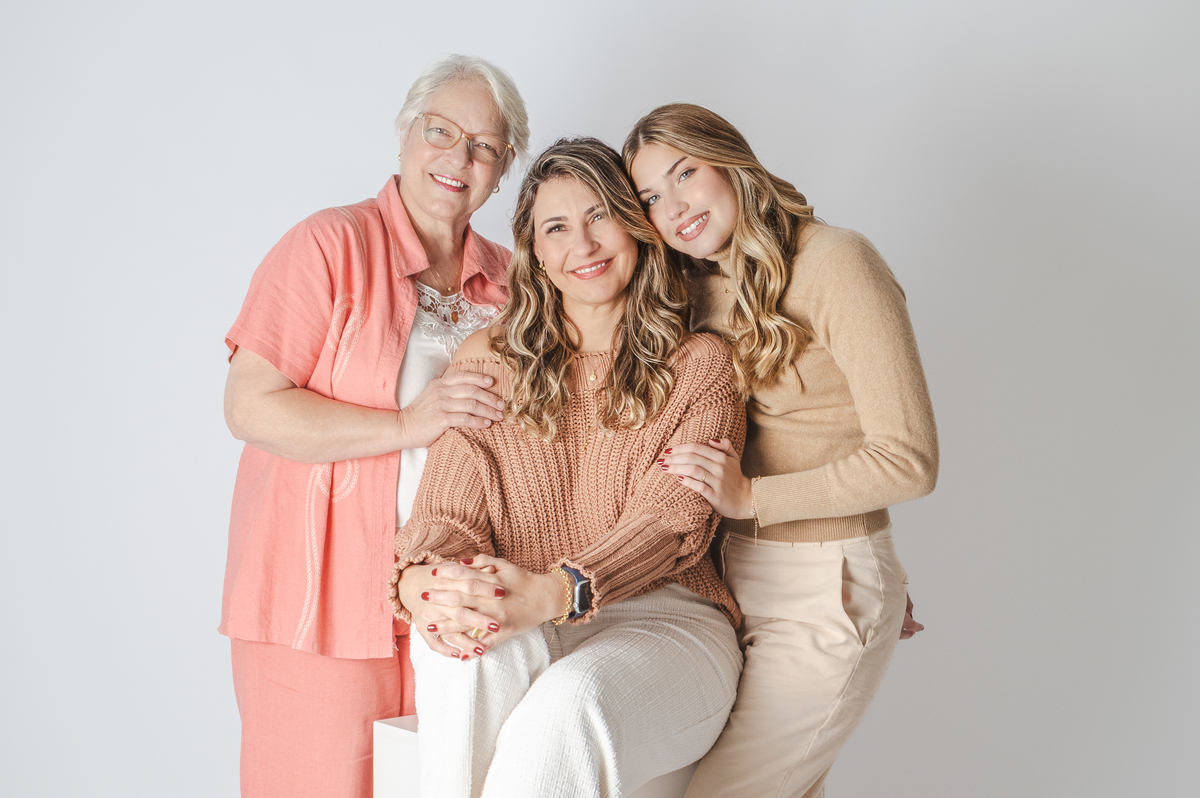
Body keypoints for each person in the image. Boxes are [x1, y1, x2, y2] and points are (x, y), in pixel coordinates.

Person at [387, 137, 746, 798]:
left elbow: (669, 523)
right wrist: (421, 580)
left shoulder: (698, 364)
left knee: (568, 706)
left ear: (634, 227)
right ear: (536, 251)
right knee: (459, 654)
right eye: (556, 227)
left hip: (666, 620)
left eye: (599, 215)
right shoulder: (491, 357)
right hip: (526, 609)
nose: (582, 244)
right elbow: (449, 511)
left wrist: (562, 590)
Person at [219, 55, 528, 798]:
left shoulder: (516, 281)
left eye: (484, 146)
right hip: (321, 601)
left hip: (455, 601)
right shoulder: (329, 245)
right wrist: (410, 424)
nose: (458, 157)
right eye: (440, 131)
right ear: (405, 132)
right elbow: (249, 406)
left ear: (503, 169)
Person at [625, 104, 939, 798]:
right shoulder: (690, 287)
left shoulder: (837, 262)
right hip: (727, 586)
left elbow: (910, 458)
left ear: (730, 161)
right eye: (650, 197)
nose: (674, 208)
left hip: (821, 590)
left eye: (685, 174)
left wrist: (763, 505)